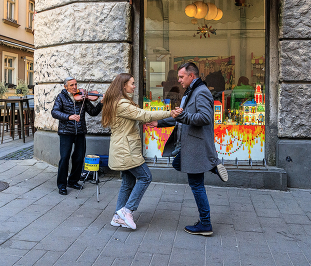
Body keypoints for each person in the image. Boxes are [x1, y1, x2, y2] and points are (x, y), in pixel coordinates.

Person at [147, 62, 228, 236]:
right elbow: (179, 118)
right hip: (189, 146)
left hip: (196, 146)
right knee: (178, 164)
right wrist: (159, 123)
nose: (179, 80)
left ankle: (205, 224)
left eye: (182, 77)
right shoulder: (191, 92)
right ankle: (212, 165)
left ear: (192, 76)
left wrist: (183, 115)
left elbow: (205, 118)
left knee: (196, 185)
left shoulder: (202, 92)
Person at [102, 73, 182, 230]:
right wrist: (170, 113)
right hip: (126, 150)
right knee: (145, 177)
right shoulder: (122, 104)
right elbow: (143, 115)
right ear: (123, 85)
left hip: (123, 148)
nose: (134, 86)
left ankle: (118, 217)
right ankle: (127, 210)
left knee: (128, 182)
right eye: (132, 83)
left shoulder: (117, 102)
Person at [51, 77, 103, 195]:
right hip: (66, 132)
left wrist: (101, 103)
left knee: (79, 158)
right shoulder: (61, 97)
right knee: (64, 158)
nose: (75, 87)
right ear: (66, 87)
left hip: (80, 132)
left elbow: (93, 112)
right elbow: (54, 112)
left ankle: (73, 181)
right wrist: (69, 117)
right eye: (71, 85)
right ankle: (62, 185)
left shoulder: (82, 98)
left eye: (76, 84)